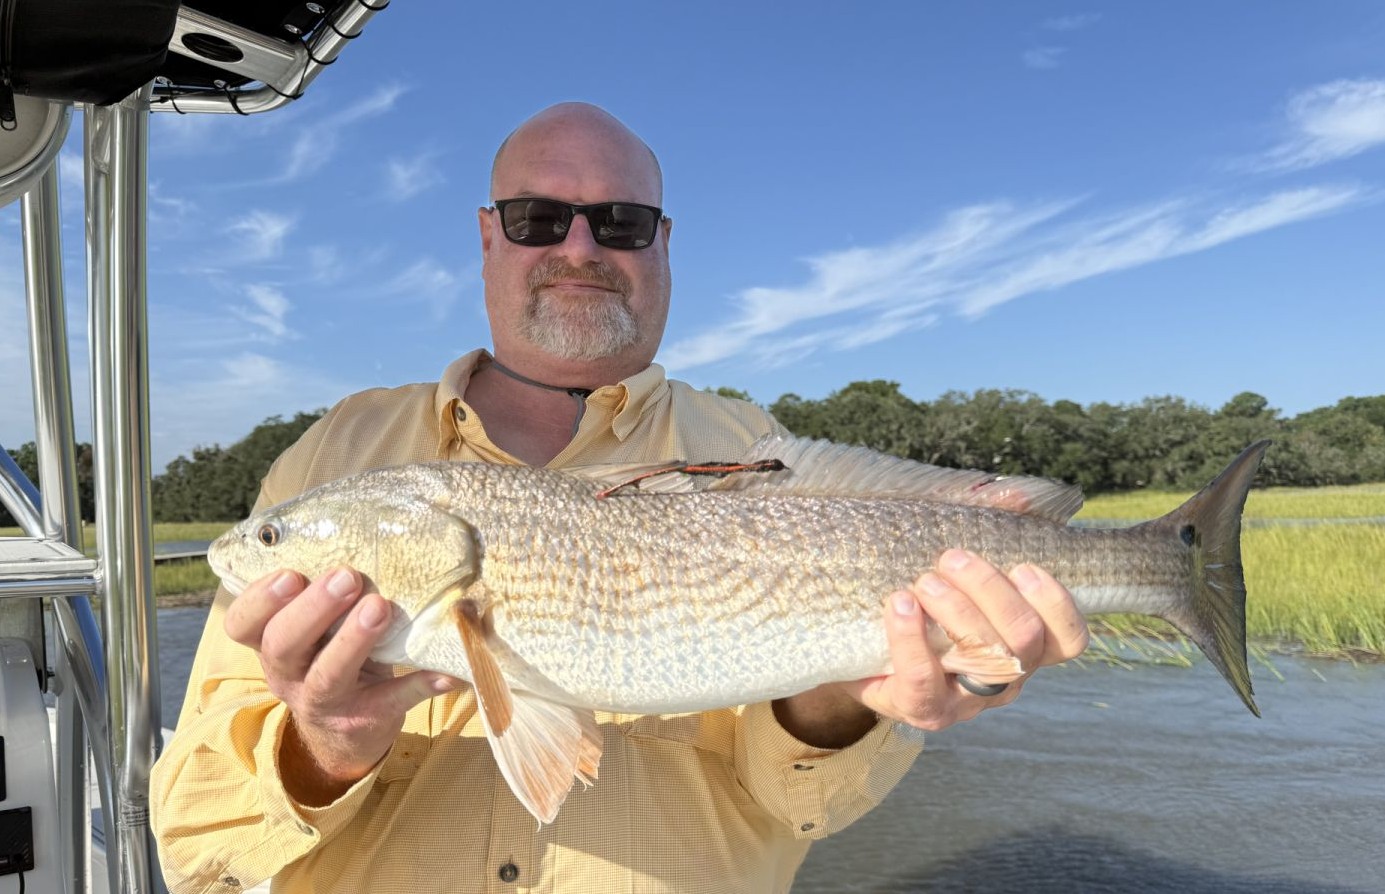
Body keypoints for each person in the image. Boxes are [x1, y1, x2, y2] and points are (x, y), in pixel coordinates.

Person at [150, 102, 1090, 894]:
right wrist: (323, 742)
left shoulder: (751, 453)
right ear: (487, 235)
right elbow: (198, 839)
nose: (579, 246)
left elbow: (804, 806)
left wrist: (844, 699)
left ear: (661, 244)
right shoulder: (335, 453)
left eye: (620, 222)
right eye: (536, 218)